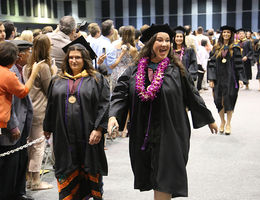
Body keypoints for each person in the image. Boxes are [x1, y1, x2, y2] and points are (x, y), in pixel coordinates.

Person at [108, 24, 218, 200]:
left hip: (170, 132)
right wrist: (114, 115)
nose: (165, 44)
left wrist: (208, 118)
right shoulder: (134, 70)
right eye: (160, 40)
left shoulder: (176, 70)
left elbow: (193, 94)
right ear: (150, 43)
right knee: (152, 174)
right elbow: (120, 93)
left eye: (168, 40)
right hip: (143, 132)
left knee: (165, 178)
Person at [43, 37, 110, 200]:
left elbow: (104, 104)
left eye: (78, 57)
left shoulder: (96, 79)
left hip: (89, 136)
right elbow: (51, 105)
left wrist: (99, 129)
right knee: (66, 171)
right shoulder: (57, 80)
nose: (74, 60)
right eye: (71, 57)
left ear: (85, 59)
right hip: (64, 137)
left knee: (90, 170)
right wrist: (47, 127)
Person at [0, 41, 43, 200]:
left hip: (18, 123)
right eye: (29, 52)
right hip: (9, 126)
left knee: (17, 162)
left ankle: (17, 192)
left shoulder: (17, 69)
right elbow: (22, 93)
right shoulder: (8, 73)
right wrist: (13, 126)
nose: (30, 55)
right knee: (8, 164)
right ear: (18, 56)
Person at [23, 34, 54, 191]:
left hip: (28, 110)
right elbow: (50, 90)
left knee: (29, 145)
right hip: (40, 110)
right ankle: (36, 181)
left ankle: (29, 178)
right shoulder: (44, 67)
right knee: (38, 146)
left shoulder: (26, 66)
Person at [207, 25, 246, 135]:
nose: (226, 34)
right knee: (218, 101)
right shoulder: (216, 47)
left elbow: (239, 64)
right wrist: (211, 78)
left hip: (231, 79)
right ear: (221, 34)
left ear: (231, 34)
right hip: (218, 79)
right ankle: (222, 121)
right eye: (224, 32)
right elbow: (211, 64)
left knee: (229, 100)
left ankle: (228, 123)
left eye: (228, 32)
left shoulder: (235, 48)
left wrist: (241, 79)